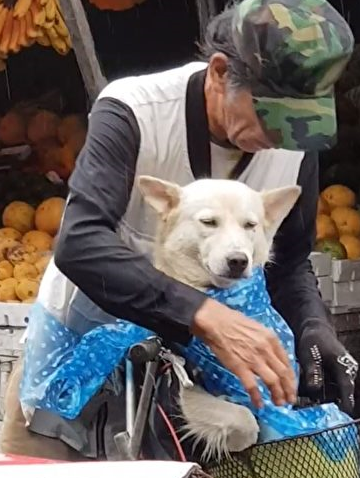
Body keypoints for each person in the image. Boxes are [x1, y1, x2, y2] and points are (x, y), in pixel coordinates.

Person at [1, 0, 358, 462]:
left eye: (301, 117)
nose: (283, 134)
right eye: (272, 112)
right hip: (77, 360)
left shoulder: (292, 143)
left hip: (204, 388)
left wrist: (314, 327)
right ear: (219, 71)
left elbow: (288, 263)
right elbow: (80, 242)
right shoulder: (135, 111)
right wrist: (203, 314)